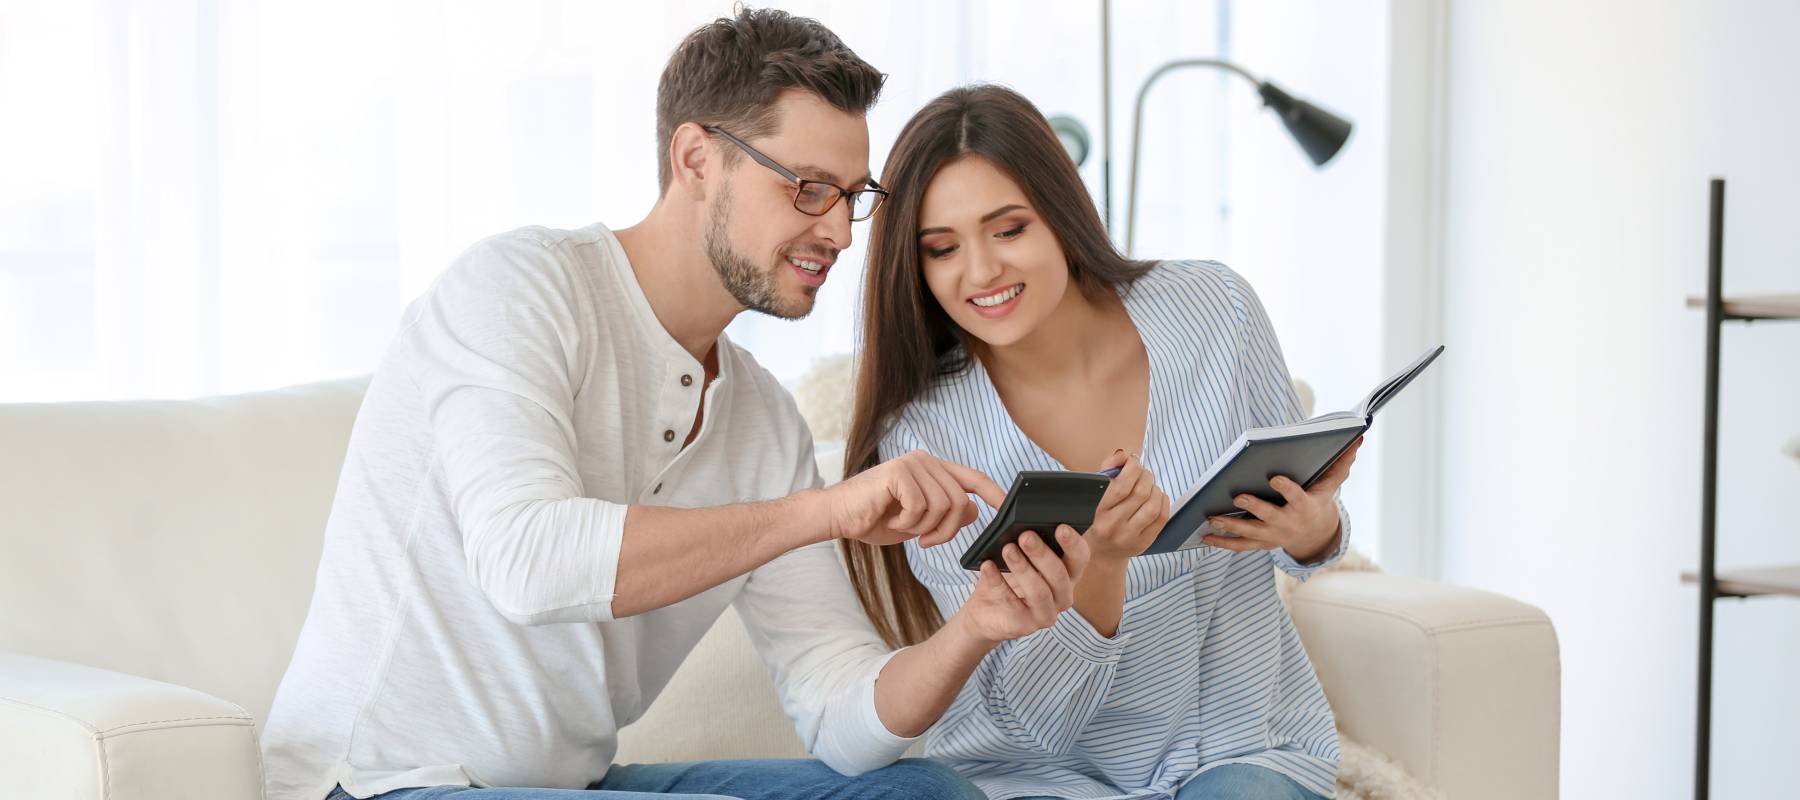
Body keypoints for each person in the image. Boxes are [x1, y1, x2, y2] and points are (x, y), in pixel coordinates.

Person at [260, 12, 1090, 800]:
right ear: (696, 159)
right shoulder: (516, 289)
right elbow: (525, 559)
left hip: (570, 786)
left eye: (851, 195)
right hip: (379, 781)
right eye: (808, 188)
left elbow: (840, 719)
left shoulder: (762, 420)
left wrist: (975, 628)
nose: (840, 232)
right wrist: (824, 511)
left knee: (928, 791)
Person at [841, 84, 1361, 800]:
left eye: (1009, 230)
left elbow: (1304, 532)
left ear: (1060, 214)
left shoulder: (1216, 309)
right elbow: (1033, 723)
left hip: (1243, 745)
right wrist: (1102, 567)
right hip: (1040, 775)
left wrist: (1312, 530)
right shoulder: (924, 437)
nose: (982, 272)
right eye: (943, 248)